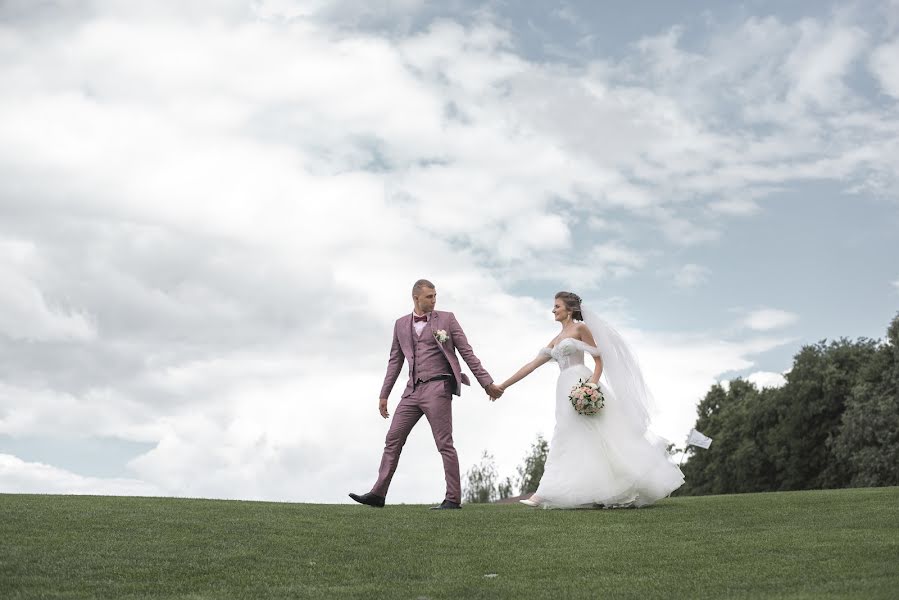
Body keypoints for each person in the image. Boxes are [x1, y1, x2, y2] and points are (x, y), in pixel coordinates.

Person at [493, 291, 684, 508]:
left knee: (597, 436)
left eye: (556, 306)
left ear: (569, 309)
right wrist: (502, 386)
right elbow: (531, 365)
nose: (553, 310)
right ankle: (577, 492)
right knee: (569, 436)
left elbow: (599, 360)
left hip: (580, 382)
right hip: (563, 389)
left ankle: (543, 494)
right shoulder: (555, 339)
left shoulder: (580, 328)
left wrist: (591, 386)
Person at [349, 279, 504, 510]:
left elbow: (467, 353)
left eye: (435, 295)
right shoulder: (400, 325)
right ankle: (378, 494)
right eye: (429, 296)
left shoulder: (447, 319)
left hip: (438, 387)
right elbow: (394, 362)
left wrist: (487, 382)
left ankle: (452, 498)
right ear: (416, 298)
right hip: (412, 391)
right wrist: (384, 394)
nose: (434, 300)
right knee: (393, 439)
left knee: (444, 443)